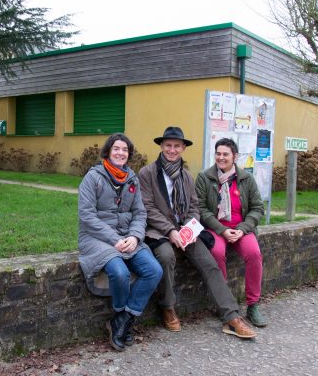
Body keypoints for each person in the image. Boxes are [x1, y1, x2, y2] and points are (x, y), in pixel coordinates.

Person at [138, 126, 257, 339]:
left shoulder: (186, 175)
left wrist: (189, 227)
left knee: (210, 263)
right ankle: (168, 307)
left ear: (183, 148)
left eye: (176, 146)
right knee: (165, 257)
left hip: (185, 231)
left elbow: (194, 206)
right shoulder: (147, 173)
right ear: (161, 146)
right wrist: (170, 231)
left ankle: (231, 317)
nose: (172, 150)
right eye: (168, 146)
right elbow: (147, 208)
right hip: (158, 231)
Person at [78, 133, 163, 351]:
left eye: (125, 150)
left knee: (154, 270)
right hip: (97, 238)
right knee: (120, 272)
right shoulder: (93, 177)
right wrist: (115, 239)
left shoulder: (132, 179)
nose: (120, 153)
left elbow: (140, 213)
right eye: (116, 148)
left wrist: (135, 237)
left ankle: (122, 320)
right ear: (108, 151)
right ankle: (119, 314)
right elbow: (87, 216)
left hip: (128, 237)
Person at [195, 137, 267, 327]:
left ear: (234, 156)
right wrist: (222, 230)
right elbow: (201, 209)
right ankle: (225, 305)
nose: (221, 157)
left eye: (225, 154)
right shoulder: (204, 177)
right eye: (218, 153)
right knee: (217, 253)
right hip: (216, 228)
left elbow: (258, 208)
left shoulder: (246, 179)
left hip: (241, 229)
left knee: (254, 253)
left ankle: (253, 305)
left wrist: (242, 230)